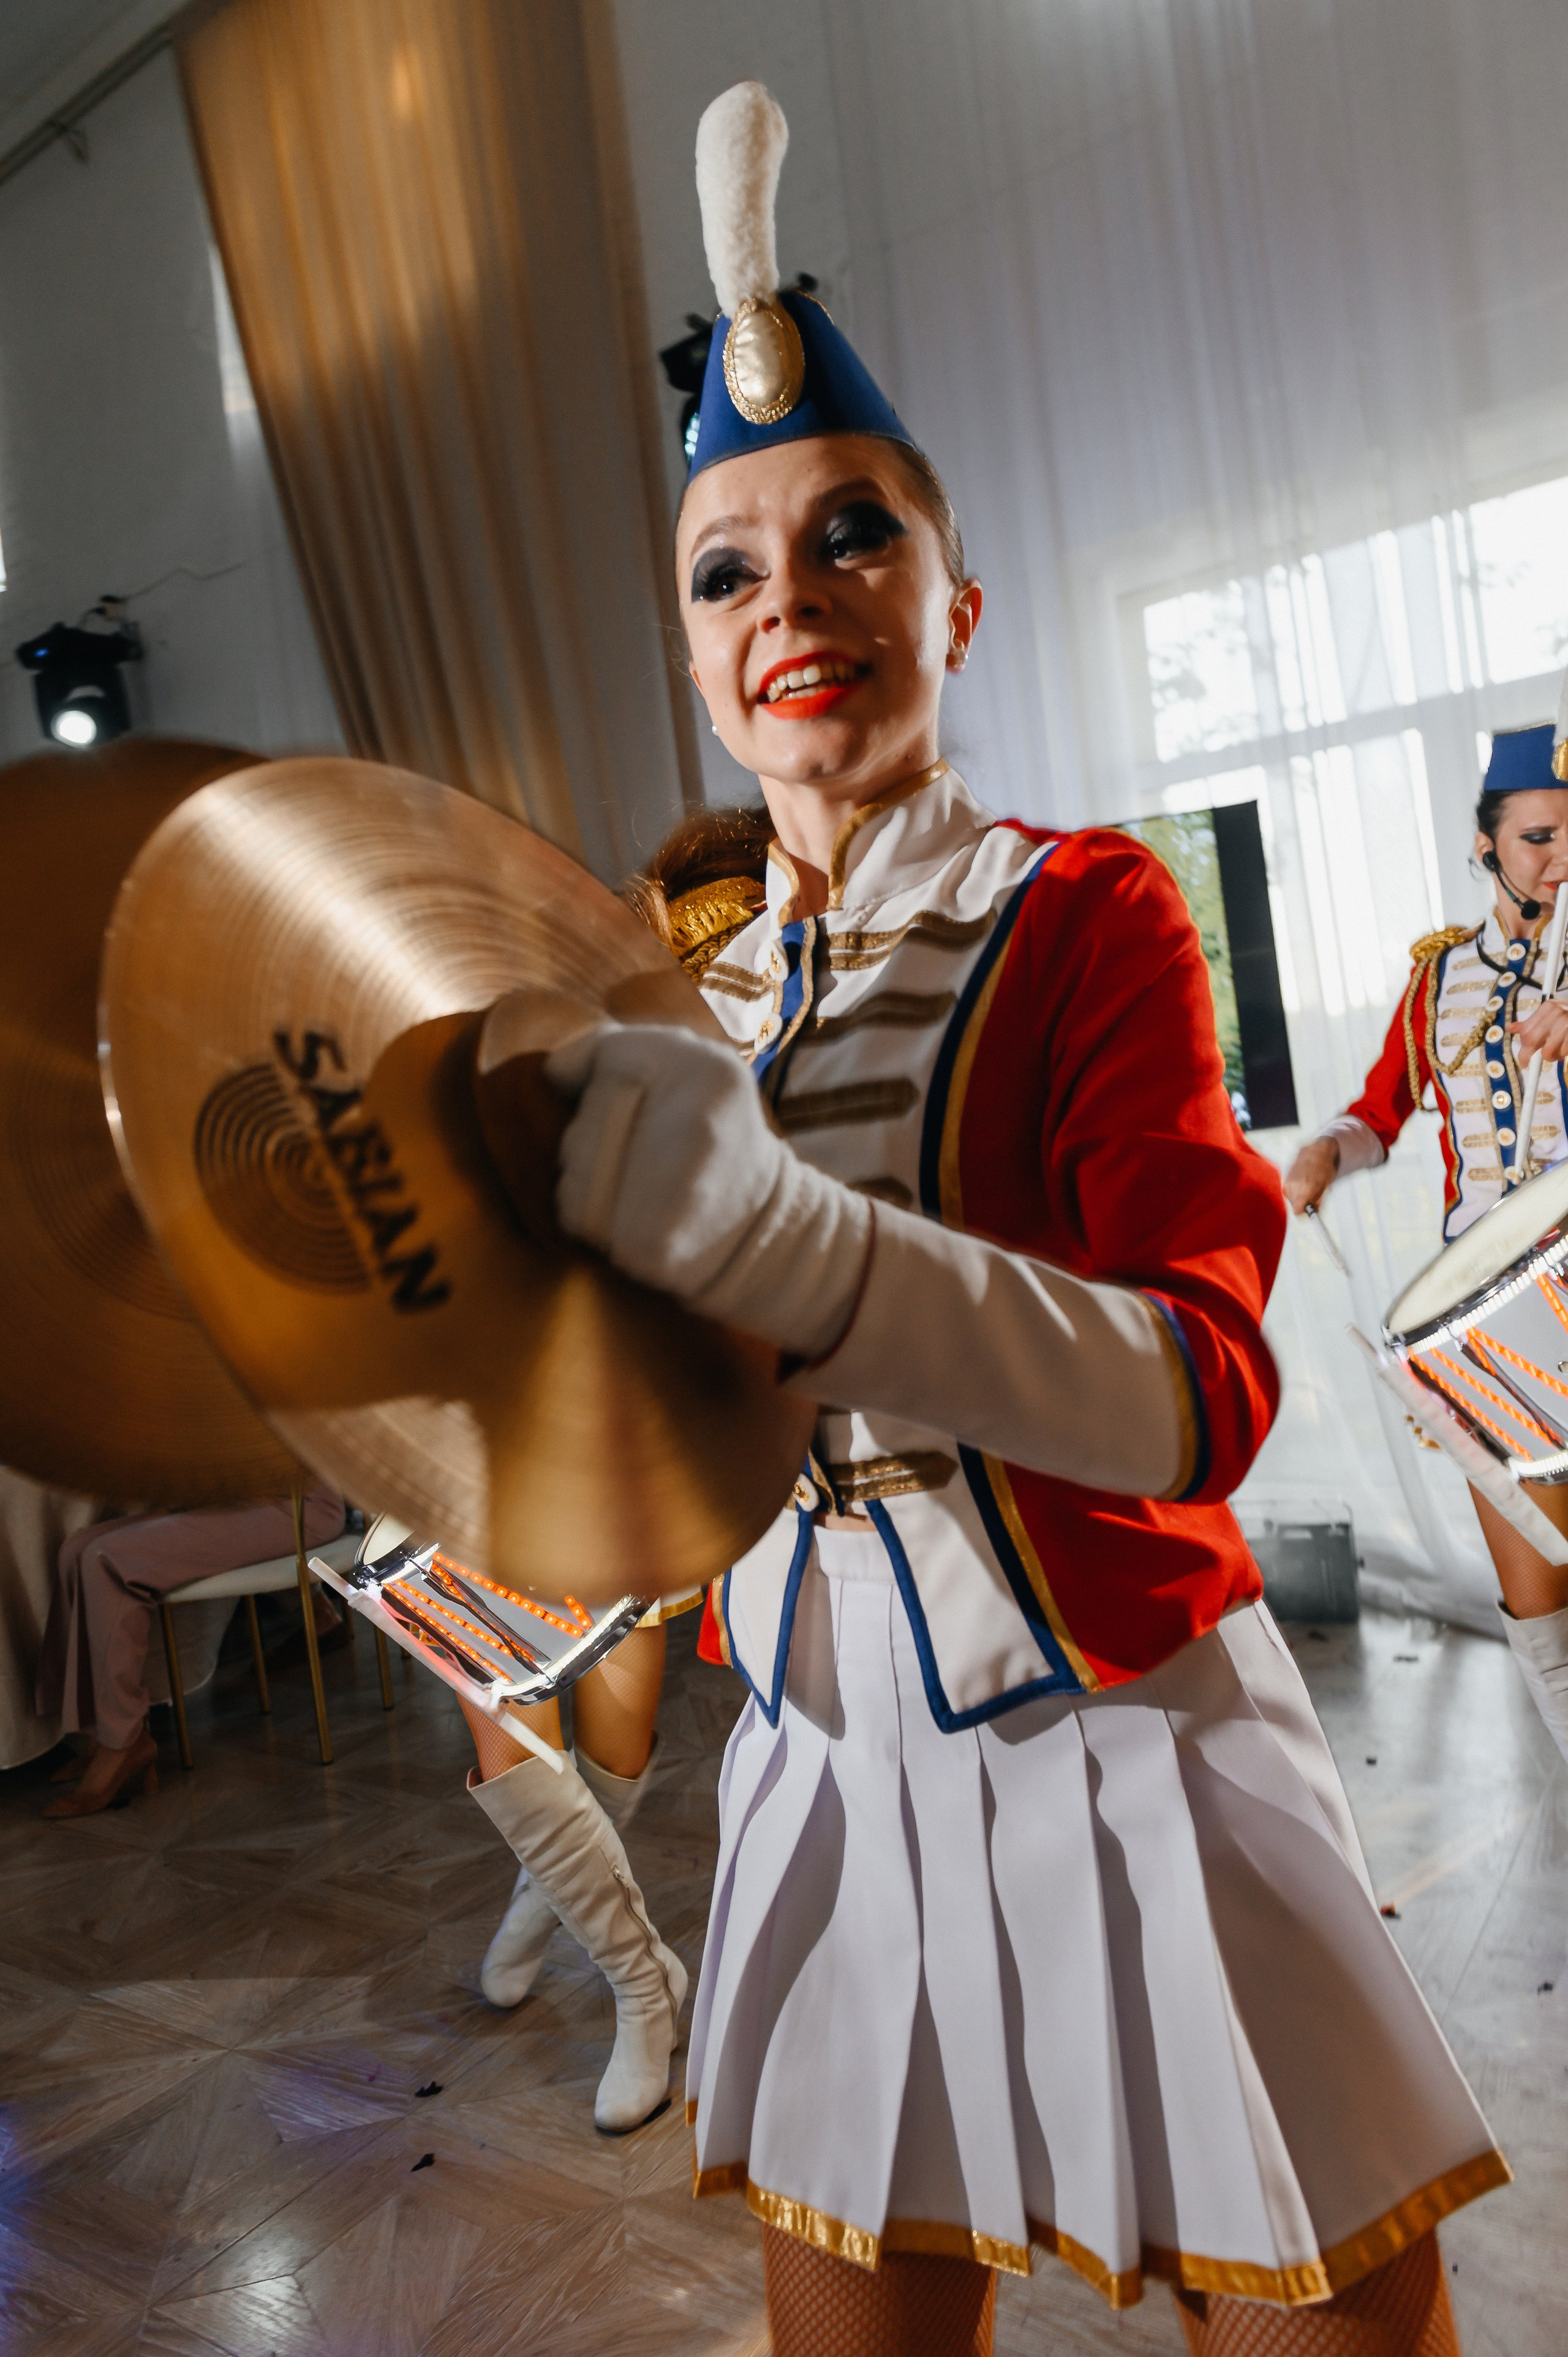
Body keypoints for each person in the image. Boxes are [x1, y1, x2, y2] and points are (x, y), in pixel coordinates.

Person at [524, 78, 1504, 2357]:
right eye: (724, 570)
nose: (789, 597)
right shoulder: (654, 1002)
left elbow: (1204, 1389)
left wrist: (796, 1258)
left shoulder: (1091, 912)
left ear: (952, 603)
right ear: (691, 658)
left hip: (1130, 1742)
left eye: (849, 535)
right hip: (817, 1773)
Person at [1286, 715, 1568, 1765]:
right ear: (1485, 844)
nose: (1561, 861)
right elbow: (1380, 1113)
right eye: (1538, 838)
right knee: (1542, 1607)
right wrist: (1331, 1148)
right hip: (1490, 1322)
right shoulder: (1436, 981)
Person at [456, 1597, 693, 2135]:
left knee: (612, 1759)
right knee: (512, 1758)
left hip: (614, 1542)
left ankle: (543, 1895)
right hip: (477, 1546)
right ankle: (645, 1986)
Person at [36, 1482, 345, 1817]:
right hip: (230, 1497)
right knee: (76, 1550)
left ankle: (122, 1741)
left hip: (294, 1502)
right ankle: (99, 1732)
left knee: (109, 1560)